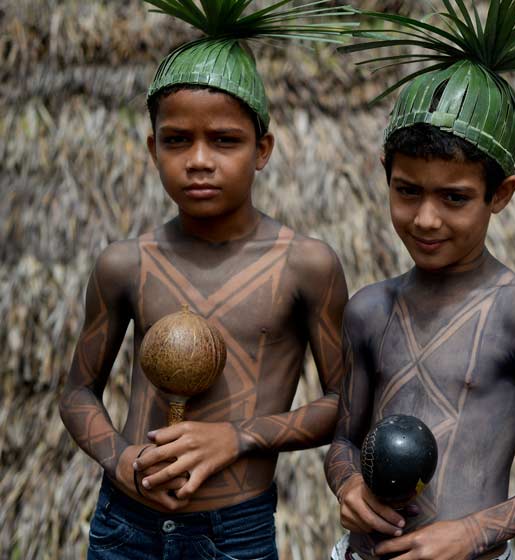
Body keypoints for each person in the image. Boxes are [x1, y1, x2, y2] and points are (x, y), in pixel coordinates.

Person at [323, 2, 515, 558]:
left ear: (500, 194)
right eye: (408, 191)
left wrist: (475, 530)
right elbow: (343, 438)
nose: (426, 218)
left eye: (454, 198)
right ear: (385, 172)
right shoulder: (368, 311)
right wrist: (348, 483)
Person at [59, 2, 351, 558]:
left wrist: (238, 436)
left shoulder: (306, 265)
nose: (198, 160)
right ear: (152, 150)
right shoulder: (125, 263)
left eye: (224, 140)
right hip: (125, 524)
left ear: (262, 149)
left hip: (233, 530)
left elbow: (345, 402)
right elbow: (77, 393)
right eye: (176, 140)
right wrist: (118, 458)